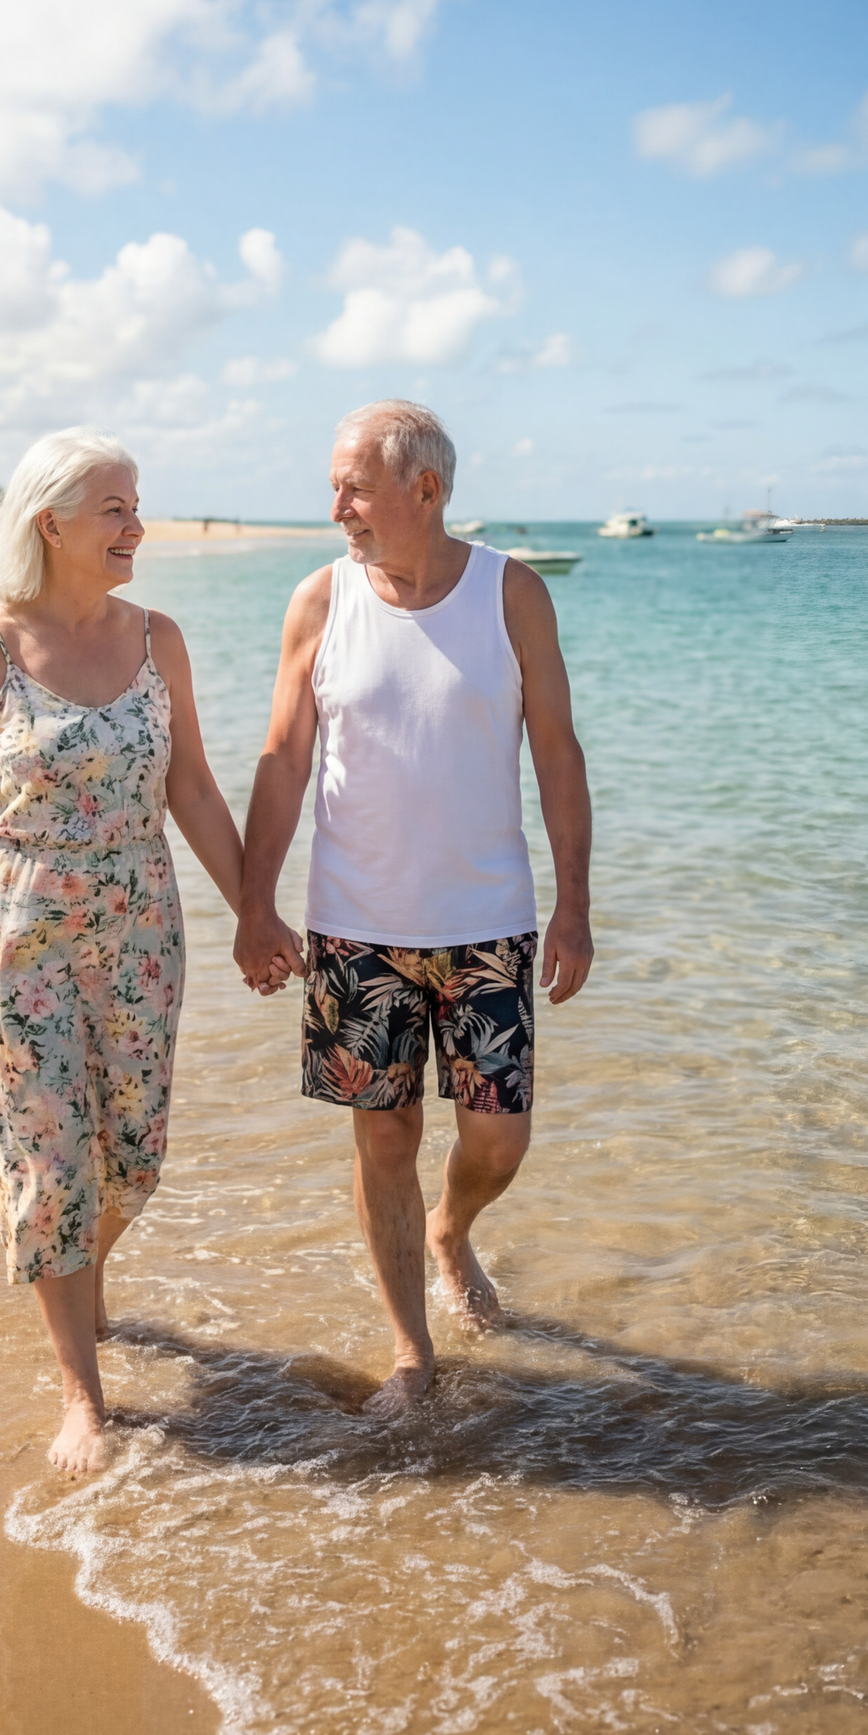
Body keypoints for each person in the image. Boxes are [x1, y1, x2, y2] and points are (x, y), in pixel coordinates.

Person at [0, 428, 268, 1476]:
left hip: (141, 923)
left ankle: (77, 1272)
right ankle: (82, 1396)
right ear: (50, 522)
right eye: (116, 509)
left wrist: (253, 909)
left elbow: (191, 785)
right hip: (18, 930)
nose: (137, 526)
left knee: (133, 1157)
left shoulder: (161, 640)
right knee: (50, 1155)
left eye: (135, 505)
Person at [234, 400, 593, 1414]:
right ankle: (411, 1353)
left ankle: (452, 1229)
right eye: (335, 485)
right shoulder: (320, 601)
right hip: (356, 929)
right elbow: (283, 758)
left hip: (488, 924)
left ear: (422, 490)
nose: (335, 504)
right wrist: (256, 904)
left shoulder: (512, 596)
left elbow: (557, 754)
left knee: (499, 1140)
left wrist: (574, 907)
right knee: (382, 1138)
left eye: (352, 485)